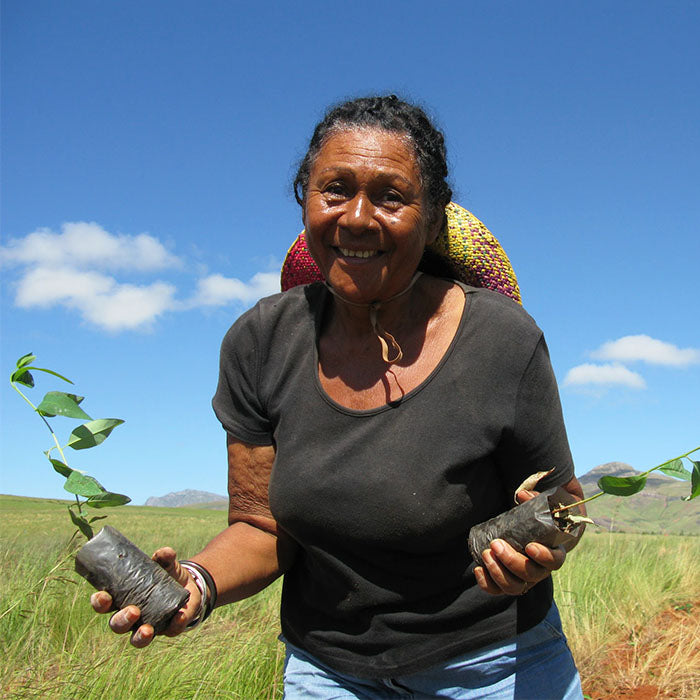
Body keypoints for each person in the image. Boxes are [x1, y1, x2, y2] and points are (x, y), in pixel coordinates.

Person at [92, 95, 585, 699]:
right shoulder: (261, 342)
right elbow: (259, 523)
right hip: (327, 672)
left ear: (433, 220)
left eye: (391, 196)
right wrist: (196, 584)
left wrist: (535, 555)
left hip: (492, 666)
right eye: (335, 189)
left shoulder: (503, 341)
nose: (356, 217)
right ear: (305, 202)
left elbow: (564, 500)